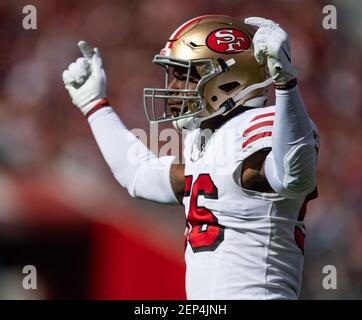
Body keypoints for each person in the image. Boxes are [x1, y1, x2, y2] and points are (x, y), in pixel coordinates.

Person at [62, 15, 319, 299]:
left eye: (185, 75)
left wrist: (286, 84)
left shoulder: (266, 125)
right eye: (172, 75)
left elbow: (291, 176)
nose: (172, 87)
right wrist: (95, 105)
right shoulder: (206, 140)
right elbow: (138, 174)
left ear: (229, 81)